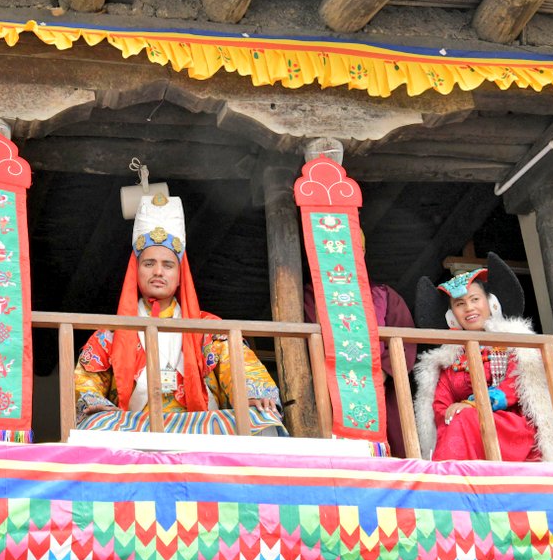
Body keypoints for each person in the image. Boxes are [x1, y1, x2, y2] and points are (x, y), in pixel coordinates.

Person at [74, 192, 286, 435]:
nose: (158, 272)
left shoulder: (208, 329)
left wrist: (252, 394)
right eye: (148, 263)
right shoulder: (111, 333)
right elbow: (86, 379)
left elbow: (238, 363)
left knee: (261, 418)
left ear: (179, 276)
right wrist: (94, 402)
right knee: (95, 423)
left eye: (168, 265)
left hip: (199, 426)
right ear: (136, 270)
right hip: (134, 426)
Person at [412, 252, 553, 462]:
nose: (469, 308)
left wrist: (473, 405)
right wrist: (455, 412)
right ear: (452, 316)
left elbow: (515, 385)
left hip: (514, 427)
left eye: (475, 299)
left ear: (492, 304)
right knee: (459, 420)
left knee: (465, 417)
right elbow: (441, 404)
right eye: (459, 304)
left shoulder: (514, 342)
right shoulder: (449, 360)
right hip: (466, 429)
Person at [303, 246, 415, 455]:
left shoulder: (383, 295)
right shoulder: (313, 294)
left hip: (381, 386)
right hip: (334, 387)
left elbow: (405, 340)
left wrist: (383, 371)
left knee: (391, 447)